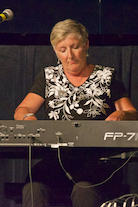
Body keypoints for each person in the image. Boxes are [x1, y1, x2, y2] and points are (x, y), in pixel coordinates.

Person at [14, 19, 138, 207]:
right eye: (62, 50)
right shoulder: (49, 76)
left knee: (84, 189)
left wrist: (122, 115)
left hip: (95, 162)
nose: (70, 55)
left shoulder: (106, 76)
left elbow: (132, 113)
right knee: (34, 187)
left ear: (86, 45)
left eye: (75, 47)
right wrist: (27, 117)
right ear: (55, 51)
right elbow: (22, 110)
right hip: (56, 160)